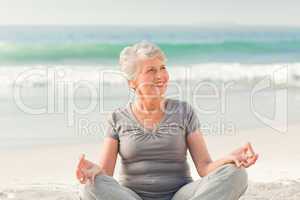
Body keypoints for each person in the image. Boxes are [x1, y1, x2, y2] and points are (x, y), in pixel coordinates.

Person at [76, 41, 259, 200]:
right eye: (151, 70)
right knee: (89, 186)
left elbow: (204, 167)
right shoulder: (117, 118)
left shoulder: (184, 111)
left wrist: (229, 159)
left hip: (182, 195)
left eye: (163, 68)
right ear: (132, 82)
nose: (160, 76)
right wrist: (93, 172)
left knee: (237, 174)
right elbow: (106, 175)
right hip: (132, 196)